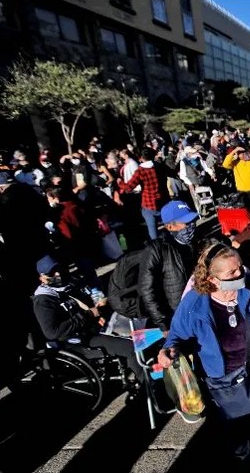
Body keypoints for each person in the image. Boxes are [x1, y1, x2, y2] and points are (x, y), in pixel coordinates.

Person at [158, 244, 250, 473]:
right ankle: (242, 457)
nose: (241, 274)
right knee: (235, 426)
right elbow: (176, 336)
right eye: (232, 273)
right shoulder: (194, 304)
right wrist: (169, 350)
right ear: (212, 279)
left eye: (240, 267)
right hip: (222, 379)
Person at [32, 255, 141, 386]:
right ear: (42, 278)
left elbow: (89, 302)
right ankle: (150, 388)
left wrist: (100, 308)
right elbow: (52, 332)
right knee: (131, 347)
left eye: (58, 269)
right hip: (77, 340)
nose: (57, 273)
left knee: (139, 327)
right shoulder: (43, 300)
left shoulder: (71, 283)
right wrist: (87, 315)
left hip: (93, 326)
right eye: (51, 272)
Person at [139, 201, 199, 332]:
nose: (191, 226)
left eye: (193, 221)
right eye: (186, 223)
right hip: (176, 318)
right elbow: (147, 290)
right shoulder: (156, 250)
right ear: (170, 227)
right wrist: (163, 324)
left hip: (199, 311)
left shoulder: (196, 243)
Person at [117, 148, 169, 241]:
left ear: (141, 158)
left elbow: (128, 188)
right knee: (169, 225)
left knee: (153, 231)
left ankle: (157, 249)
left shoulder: (140, 171)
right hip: (163, 201)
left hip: (149, 204)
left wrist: (120, 182)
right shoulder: (159, 166)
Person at [222, 145, 250, 210]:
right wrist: (233, 151)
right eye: (239, 153)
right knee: (245, 212)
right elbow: (225, 164)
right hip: (241, 192)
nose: (242, 155)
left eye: (243, 152)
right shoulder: (235, 163)